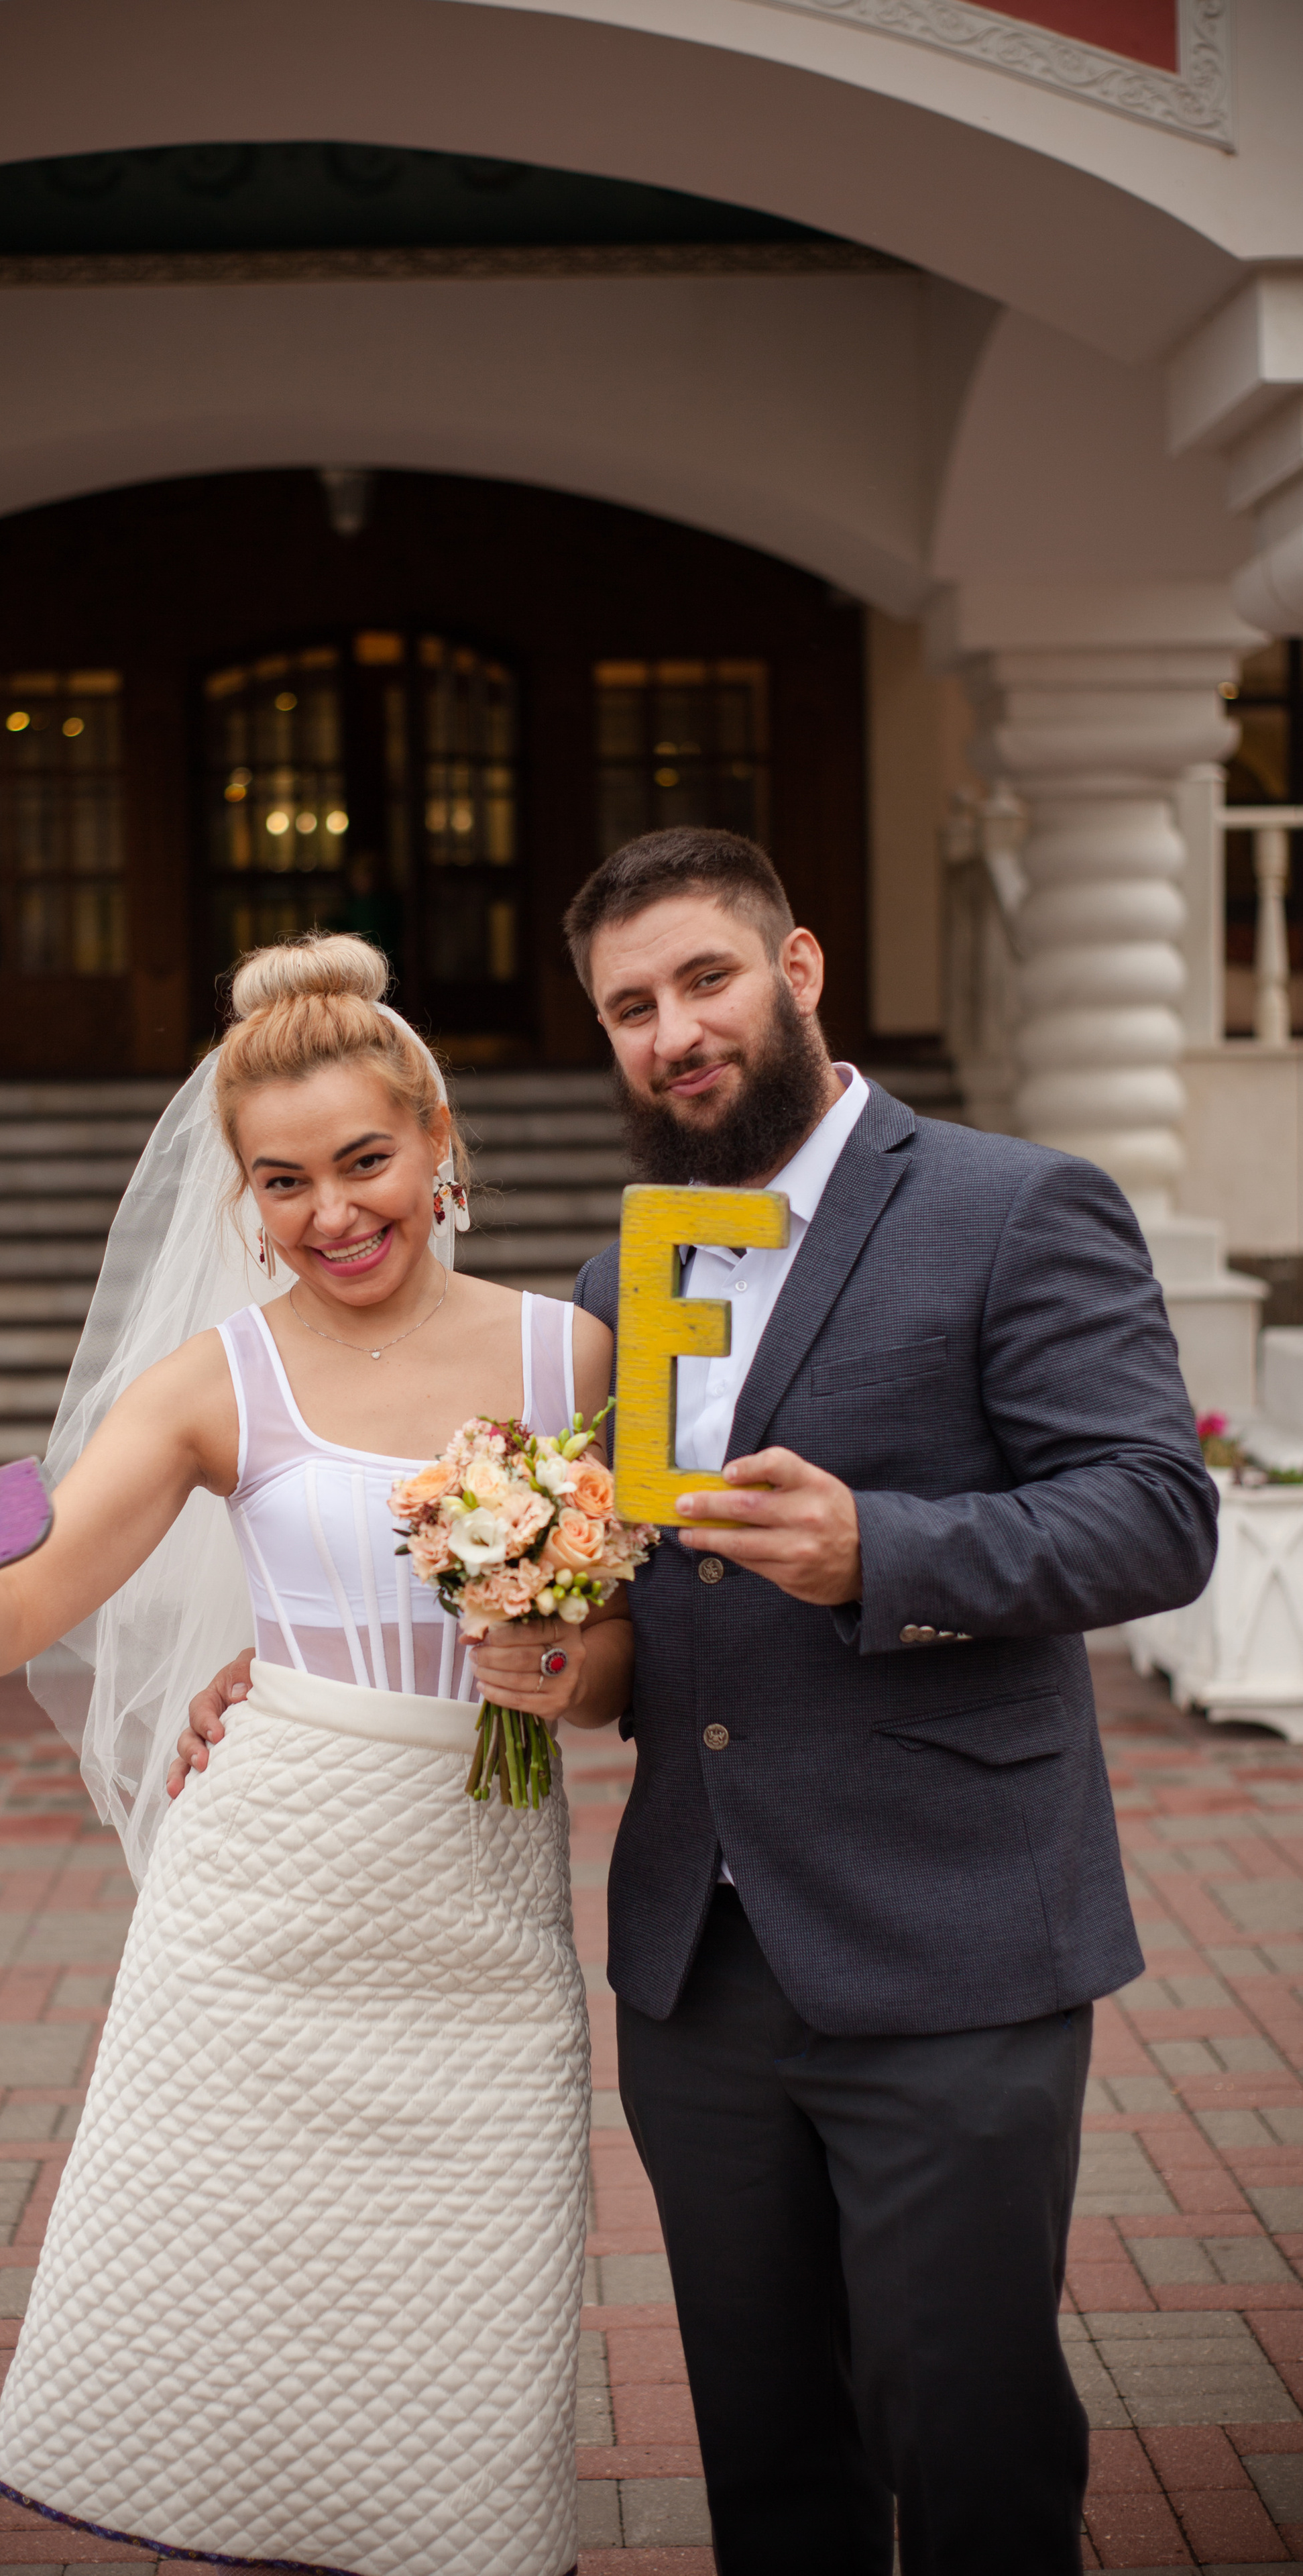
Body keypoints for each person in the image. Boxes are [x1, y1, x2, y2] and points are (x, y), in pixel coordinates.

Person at [185, 833, 1220, 2576]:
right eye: (630, 1007)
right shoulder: (623, 1281)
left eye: (707, 981)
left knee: (967, 2443)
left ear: (800, 970)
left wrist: (876, 1547)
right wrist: (305, 1658)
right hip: (699, 1973)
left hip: (952, 1950)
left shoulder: (1009, 1205)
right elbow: (588, 1595)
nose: (675, 1031)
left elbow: (1152, 1512)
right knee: (771, 2462)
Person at [0, 933, 629, 2576]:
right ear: (239, 1195)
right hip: (256, 1927)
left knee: (467, 2407)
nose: (331, 1213)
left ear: (437, 1142)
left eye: (363, 1162)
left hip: (480, 1946)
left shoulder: (576, 1358)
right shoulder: (210, 1386)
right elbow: (10, 1620)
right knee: (243, 2387)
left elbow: (640, 1648)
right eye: (282, 1181)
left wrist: (566, 1663)